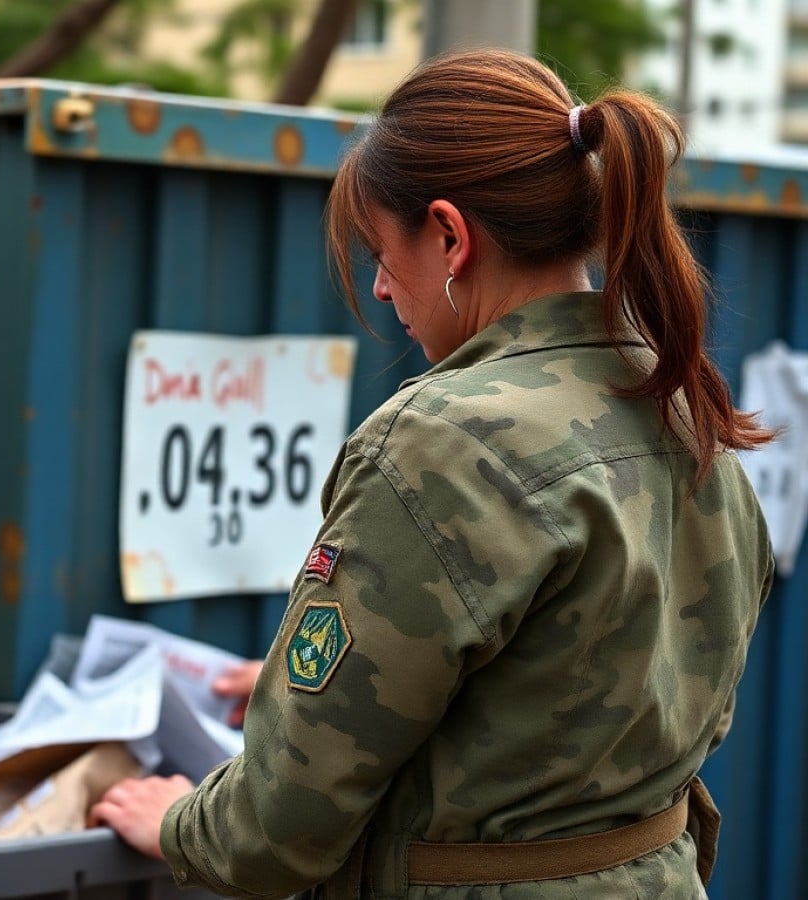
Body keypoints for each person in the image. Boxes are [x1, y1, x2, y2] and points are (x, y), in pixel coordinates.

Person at [89, 48, 775, 899]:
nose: (380, 288)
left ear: (451, 236)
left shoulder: (441, 443)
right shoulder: (681, 402)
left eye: (381, 251)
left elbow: (276, 833)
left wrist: (172, 818)